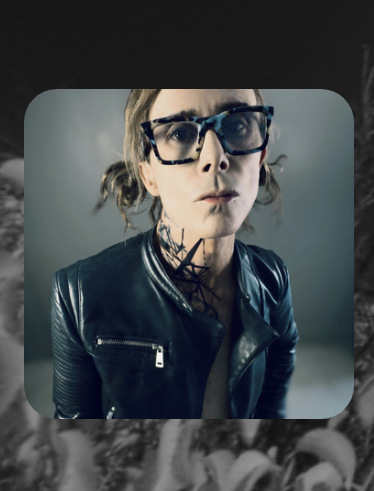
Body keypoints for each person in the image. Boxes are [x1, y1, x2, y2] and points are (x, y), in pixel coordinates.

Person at [52, 88, 298, 418]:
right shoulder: (79, 294)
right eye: (180, 133)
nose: (215, 158)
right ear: (148, 175)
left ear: (261, 155)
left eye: (237, 125)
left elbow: (273, 410)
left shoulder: (272, 278)